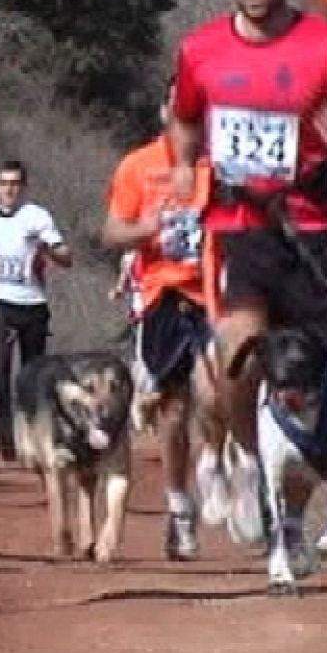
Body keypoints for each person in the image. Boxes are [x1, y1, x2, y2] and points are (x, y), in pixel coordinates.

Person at [166, 0, 327, 544]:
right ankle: (258, 466)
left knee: (321, 372)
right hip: (237, 229)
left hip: (306, 230)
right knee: (236, 355)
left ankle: (320, 490)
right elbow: (184, 116)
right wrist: (183, 165)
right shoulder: (201, 50)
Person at [102, 77, 221, 560]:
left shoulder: (219, 168)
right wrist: (142, 230)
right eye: (178, 106)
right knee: (173, 409)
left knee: (217, 393)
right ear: (163, 112)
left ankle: (216, 463)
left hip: (213, 294)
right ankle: (179, 507)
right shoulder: (138, 165)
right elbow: (111, 232)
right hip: (162, 295)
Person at [0, 159, 73, 460]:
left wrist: (48, 249)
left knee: (33, 375)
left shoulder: (37, 217)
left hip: (31, 303)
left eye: (15, 184)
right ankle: (1, 440)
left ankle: (34, 435)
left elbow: (67, 256)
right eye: (4, 184)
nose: (9, 190)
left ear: (24, 187)